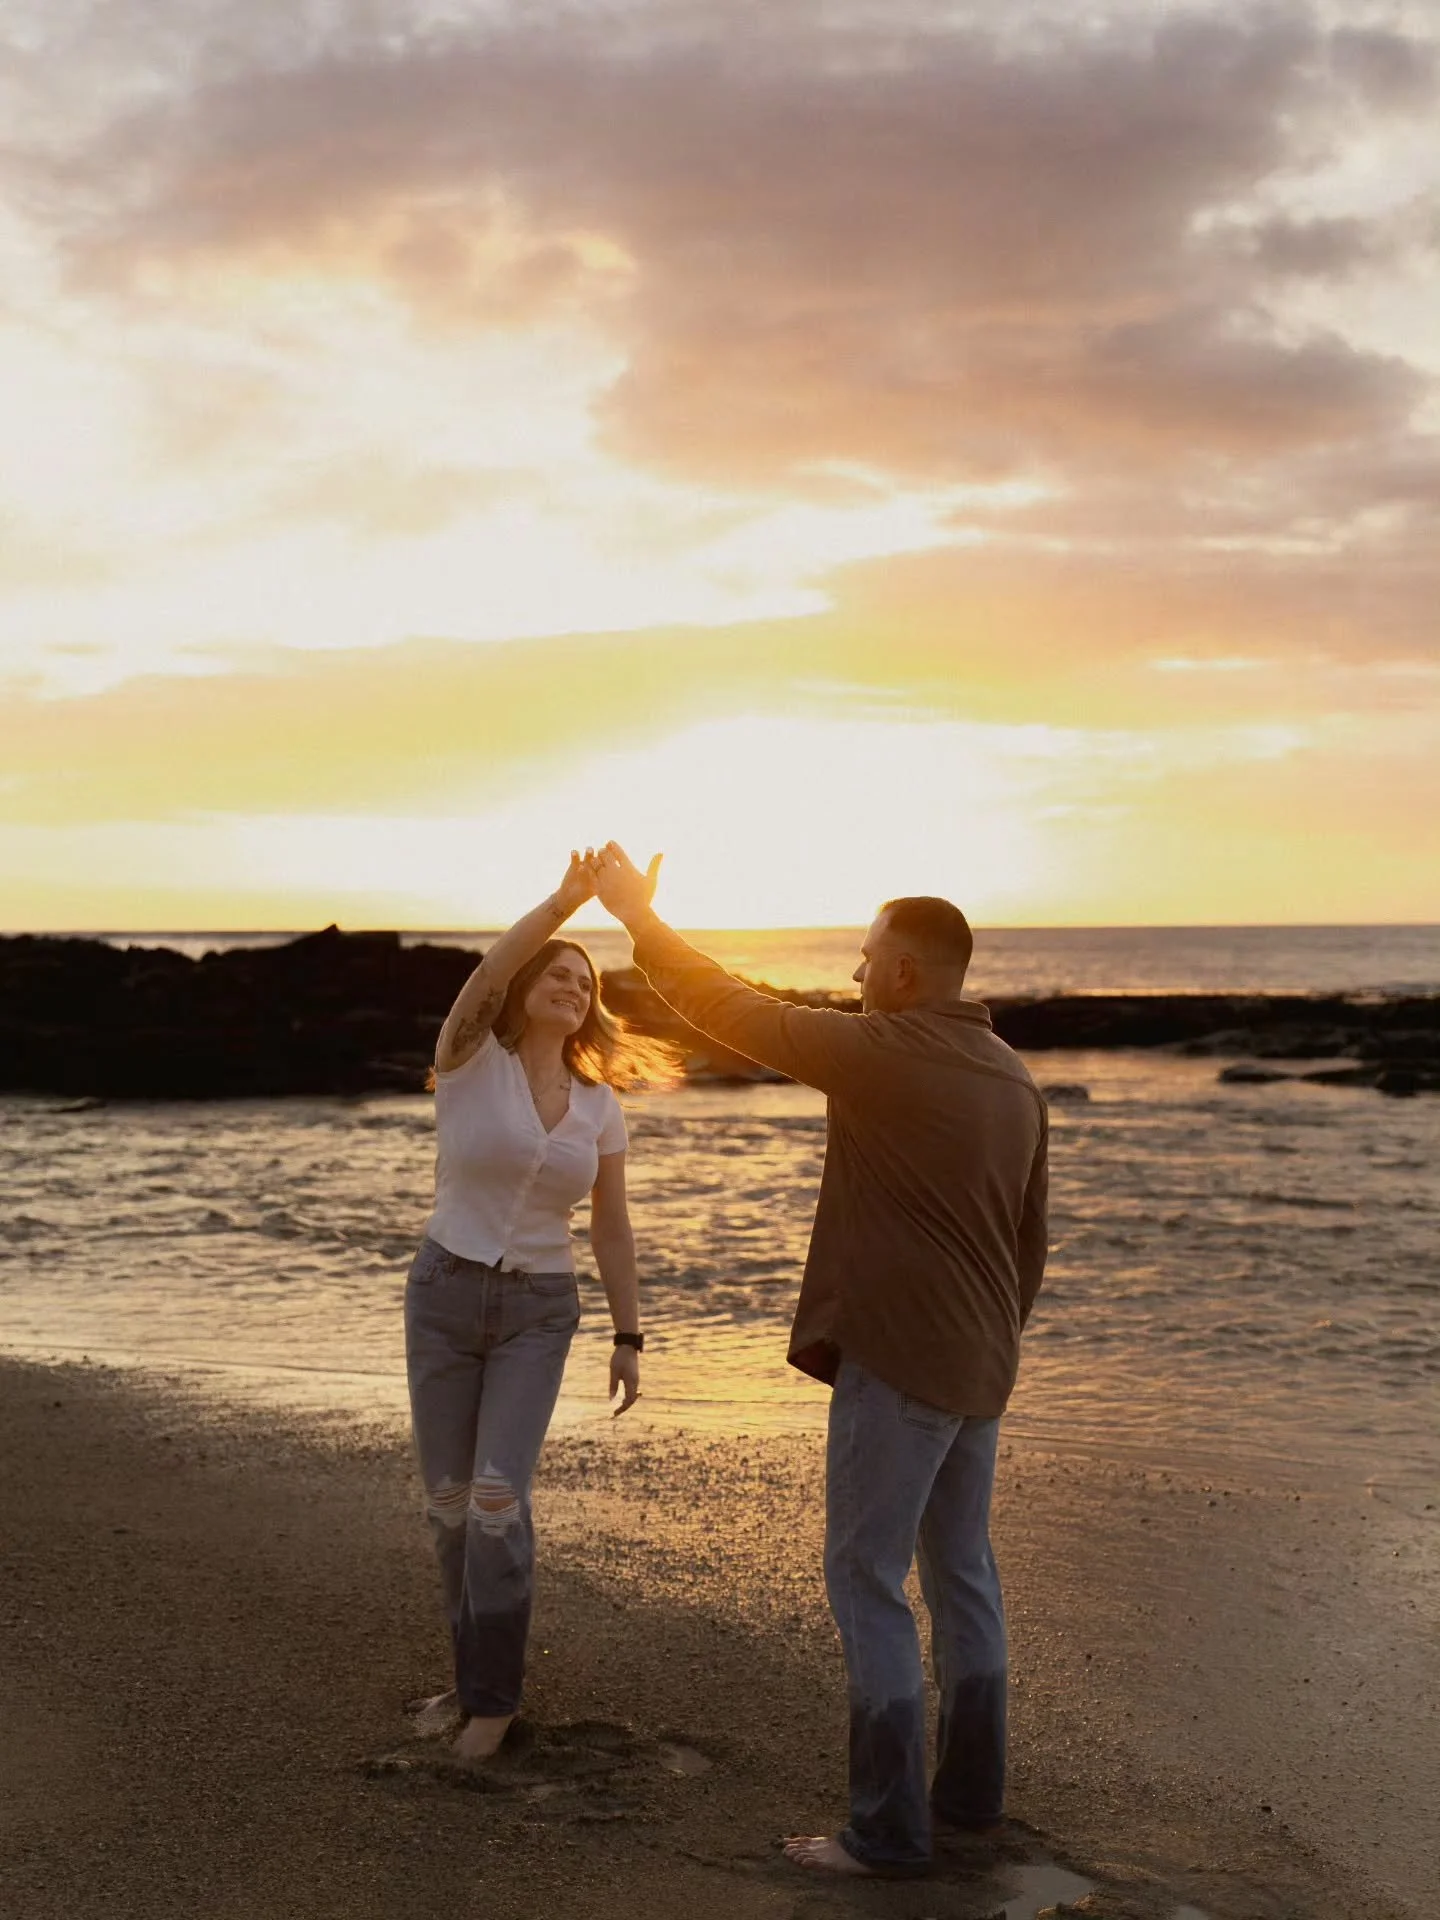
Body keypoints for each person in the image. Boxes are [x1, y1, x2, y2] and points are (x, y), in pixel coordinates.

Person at [588, 842, 1048, 1878]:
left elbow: (731, 1011)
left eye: (864, 956)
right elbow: (1031, 1245)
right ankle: (969, 1800)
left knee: (866, 1579)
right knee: (964, 1576)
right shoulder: (1015, 1080)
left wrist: (637, 919)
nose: (851, 973)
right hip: (983, 1365)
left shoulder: (885, 1048)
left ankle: (886, 1832)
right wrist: (993, 1343)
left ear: (902, 973)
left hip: (904, 1357)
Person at [405, 851, 656, 1760]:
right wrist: (566, 904)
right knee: (448, 1503)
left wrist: (629, 1334)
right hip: (443, 1295)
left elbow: (614, 1230)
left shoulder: (599, 1106)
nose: (568, 984)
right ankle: (470, 1679)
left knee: (497, 1500)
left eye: (583, 981)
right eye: (554, 971)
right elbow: (486, 973)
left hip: (539, 1312)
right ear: (522, 988)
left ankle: (494, 1707)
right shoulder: (468, 1059)